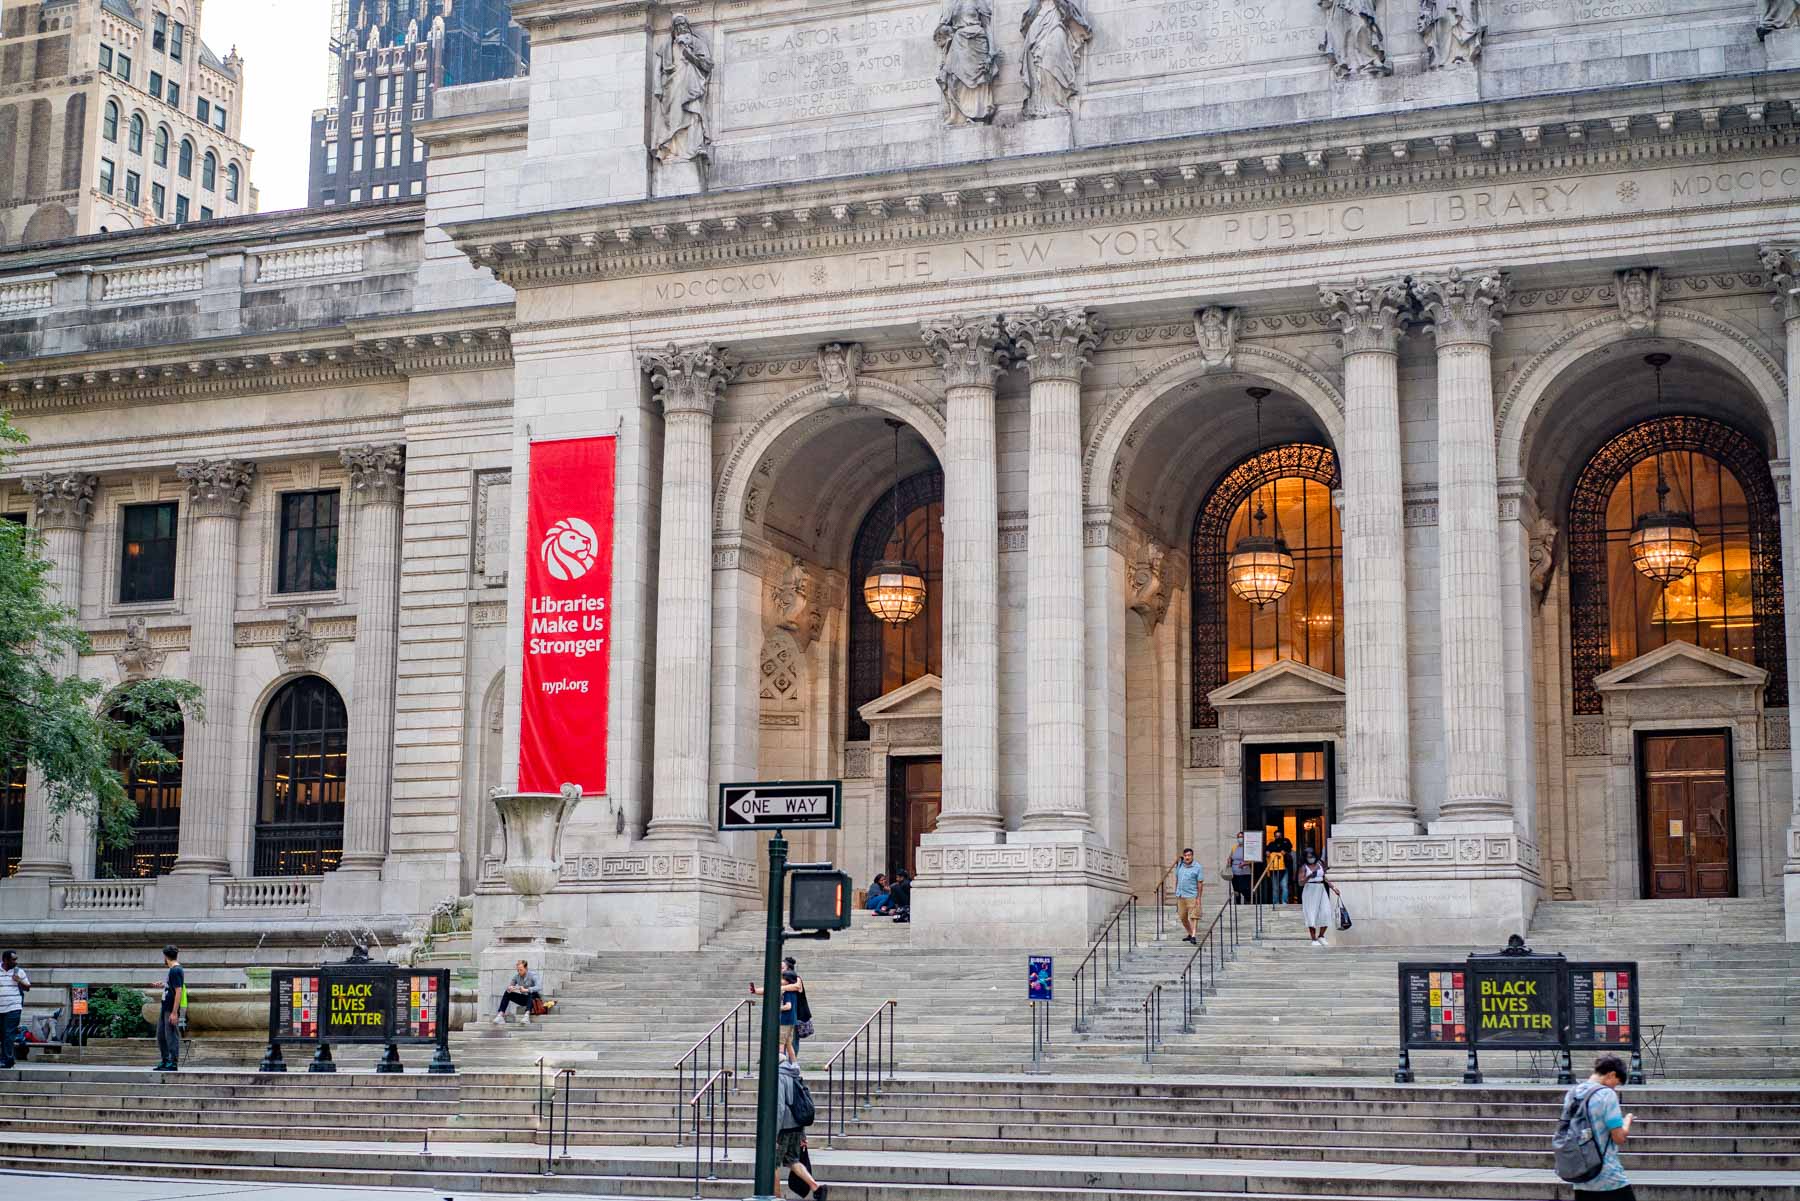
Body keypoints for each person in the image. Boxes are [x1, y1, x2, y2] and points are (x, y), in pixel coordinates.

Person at [1563, 1054, 1635, 1200]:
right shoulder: (1606, 1095)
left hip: (1581, 1174)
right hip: (1607, 1175)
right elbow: (1619, 1137)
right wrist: (1626, 1122)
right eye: (1616, 1083)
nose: (1615, 1087)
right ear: (1611, 1075)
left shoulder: (1572, 1093)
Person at [776, 1055, 828, 1200]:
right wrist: (802, 1134)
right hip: (796, 1125)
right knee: (792, 1160)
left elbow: (779, 1107)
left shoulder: (779, 1077)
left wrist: (773, 1133)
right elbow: (799, 1103)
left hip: (784, 1127)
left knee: (771, 1163)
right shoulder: (794, 1074)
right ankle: (816, 1188)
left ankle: (776, 1196)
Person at [751, 969, 805, 1064]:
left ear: (788, 981)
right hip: (790, 1020)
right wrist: (756, 991)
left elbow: (788, 1006)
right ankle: (795, 1065)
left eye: (783, 979)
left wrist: (777, 1008)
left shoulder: (787, 992)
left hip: (785, 1021)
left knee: (780, 1043)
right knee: (788, 1045)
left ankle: (780, 1064)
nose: (781, 980)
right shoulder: (790, 991)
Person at [1297, 849, 1337, 945]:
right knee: (1311, 914)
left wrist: (1333, 888)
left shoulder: (1319, 865)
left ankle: (1321, 936)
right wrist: (1309, 876)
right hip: (1310, 890)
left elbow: (1324, 878)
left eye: (1312, 856)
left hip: (1321, 889)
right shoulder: (1303, 867)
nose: (1311, 858)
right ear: (1305, 857)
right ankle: (1313, 939)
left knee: (1326, 912)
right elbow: (1300, 882)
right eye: (1309, 856)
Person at [155, 945, 184, 1072]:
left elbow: (179, 991)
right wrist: (163, 984)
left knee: (171, 1035)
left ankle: (173, 1062)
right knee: (161, 1034)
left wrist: (174, 1012)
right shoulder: (172, 970)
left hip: (170, 1008)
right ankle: (165, 1060)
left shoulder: (176, 970)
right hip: (165, 1006)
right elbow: (173, 987)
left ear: (166, 957)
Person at [0, 950, 28, 1070]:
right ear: (5, 960)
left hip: (14, 1007)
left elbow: (27, 987)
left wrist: (19, 980)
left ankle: (8, 1059)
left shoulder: (19, 972)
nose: (16, 961)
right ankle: (6, 1058)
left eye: (16, 959)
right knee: (2, 1034)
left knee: (8, 1033)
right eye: (13, 959)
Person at [1172, 849, 1205, 944]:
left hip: (1191, 895)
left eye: (1189, 855)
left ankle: (1193, 935)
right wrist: (1176, 891)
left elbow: (1200, 883)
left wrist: (1199, 898)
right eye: (1185, 855)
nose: (1187, 857)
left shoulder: (1197, 867)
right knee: (1182, 917)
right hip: (1181, 895)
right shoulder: (1180, 865)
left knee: (1194, 916)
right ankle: (1190, 934)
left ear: (1192, 856)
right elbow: (1177, 879)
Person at [494, 960, 542, 1025]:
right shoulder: (517, 976)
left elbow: (539, 987)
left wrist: (526, 990)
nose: (519, 972)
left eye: (521, 970)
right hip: (525, 999)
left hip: (535, 1000)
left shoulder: (533, 975)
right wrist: (510, 988)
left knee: (531, 992)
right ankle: (500, 1015)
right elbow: (510, 985)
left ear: (526, 968)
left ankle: (526, 1016)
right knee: (508, 992)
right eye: (518, 970)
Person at [1265, 830, 1293, 905]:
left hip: (1284, 868)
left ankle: (1284, 902)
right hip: (1274, 868)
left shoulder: (1286, 841)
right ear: (1274, 836)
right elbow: (1267, 850)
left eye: (1279, 836)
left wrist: (1285, 852)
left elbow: (1290, 848)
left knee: (1284, 886)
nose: (1278, 837)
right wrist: (1267, 852)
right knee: (1275, 888)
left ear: (1282, 835)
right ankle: (1276, 903)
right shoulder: (1271, 844)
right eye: (1276, 836)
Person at [1225, 834, 1252, 905]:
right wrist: (1229, 860)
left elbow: (1252, 860)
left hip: (1245, 872)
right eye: (1239, 837)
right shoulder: (1234, 847)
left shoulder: (1248, 847)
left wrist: (1245, 863)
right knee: (1236, 890)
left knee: (1245, 889)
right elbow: (1230, 857)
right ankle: (1237, 905)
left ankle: (1247, 903)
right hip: (1234, 872)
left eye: (1241, 837)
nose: (1240, 838)